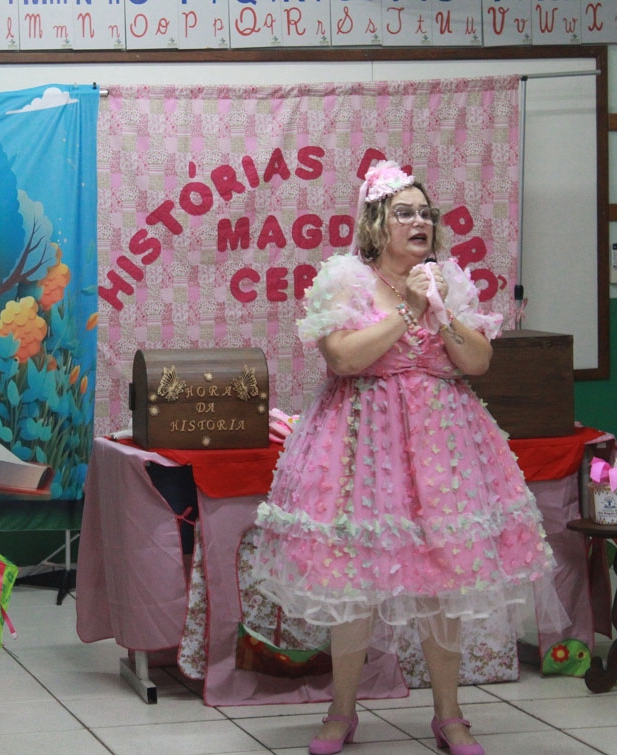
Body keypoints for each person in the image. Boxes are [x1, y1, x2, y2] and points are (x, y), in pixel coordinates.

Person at [253, 161, 564, 755]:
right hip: (360, 447)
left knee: (443, 578)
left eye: (426, 213)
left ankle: (450, 717)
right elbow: (344, 359)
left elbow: (477, 363)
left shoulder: (446, 281)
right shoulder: (346, 280)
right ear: (377, 223)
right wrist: (407, 311)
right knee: (353, 578)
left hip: (443, 448)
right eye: (405, 213)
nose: (420, 222)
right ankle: (341, 713)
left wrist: (440, 309)